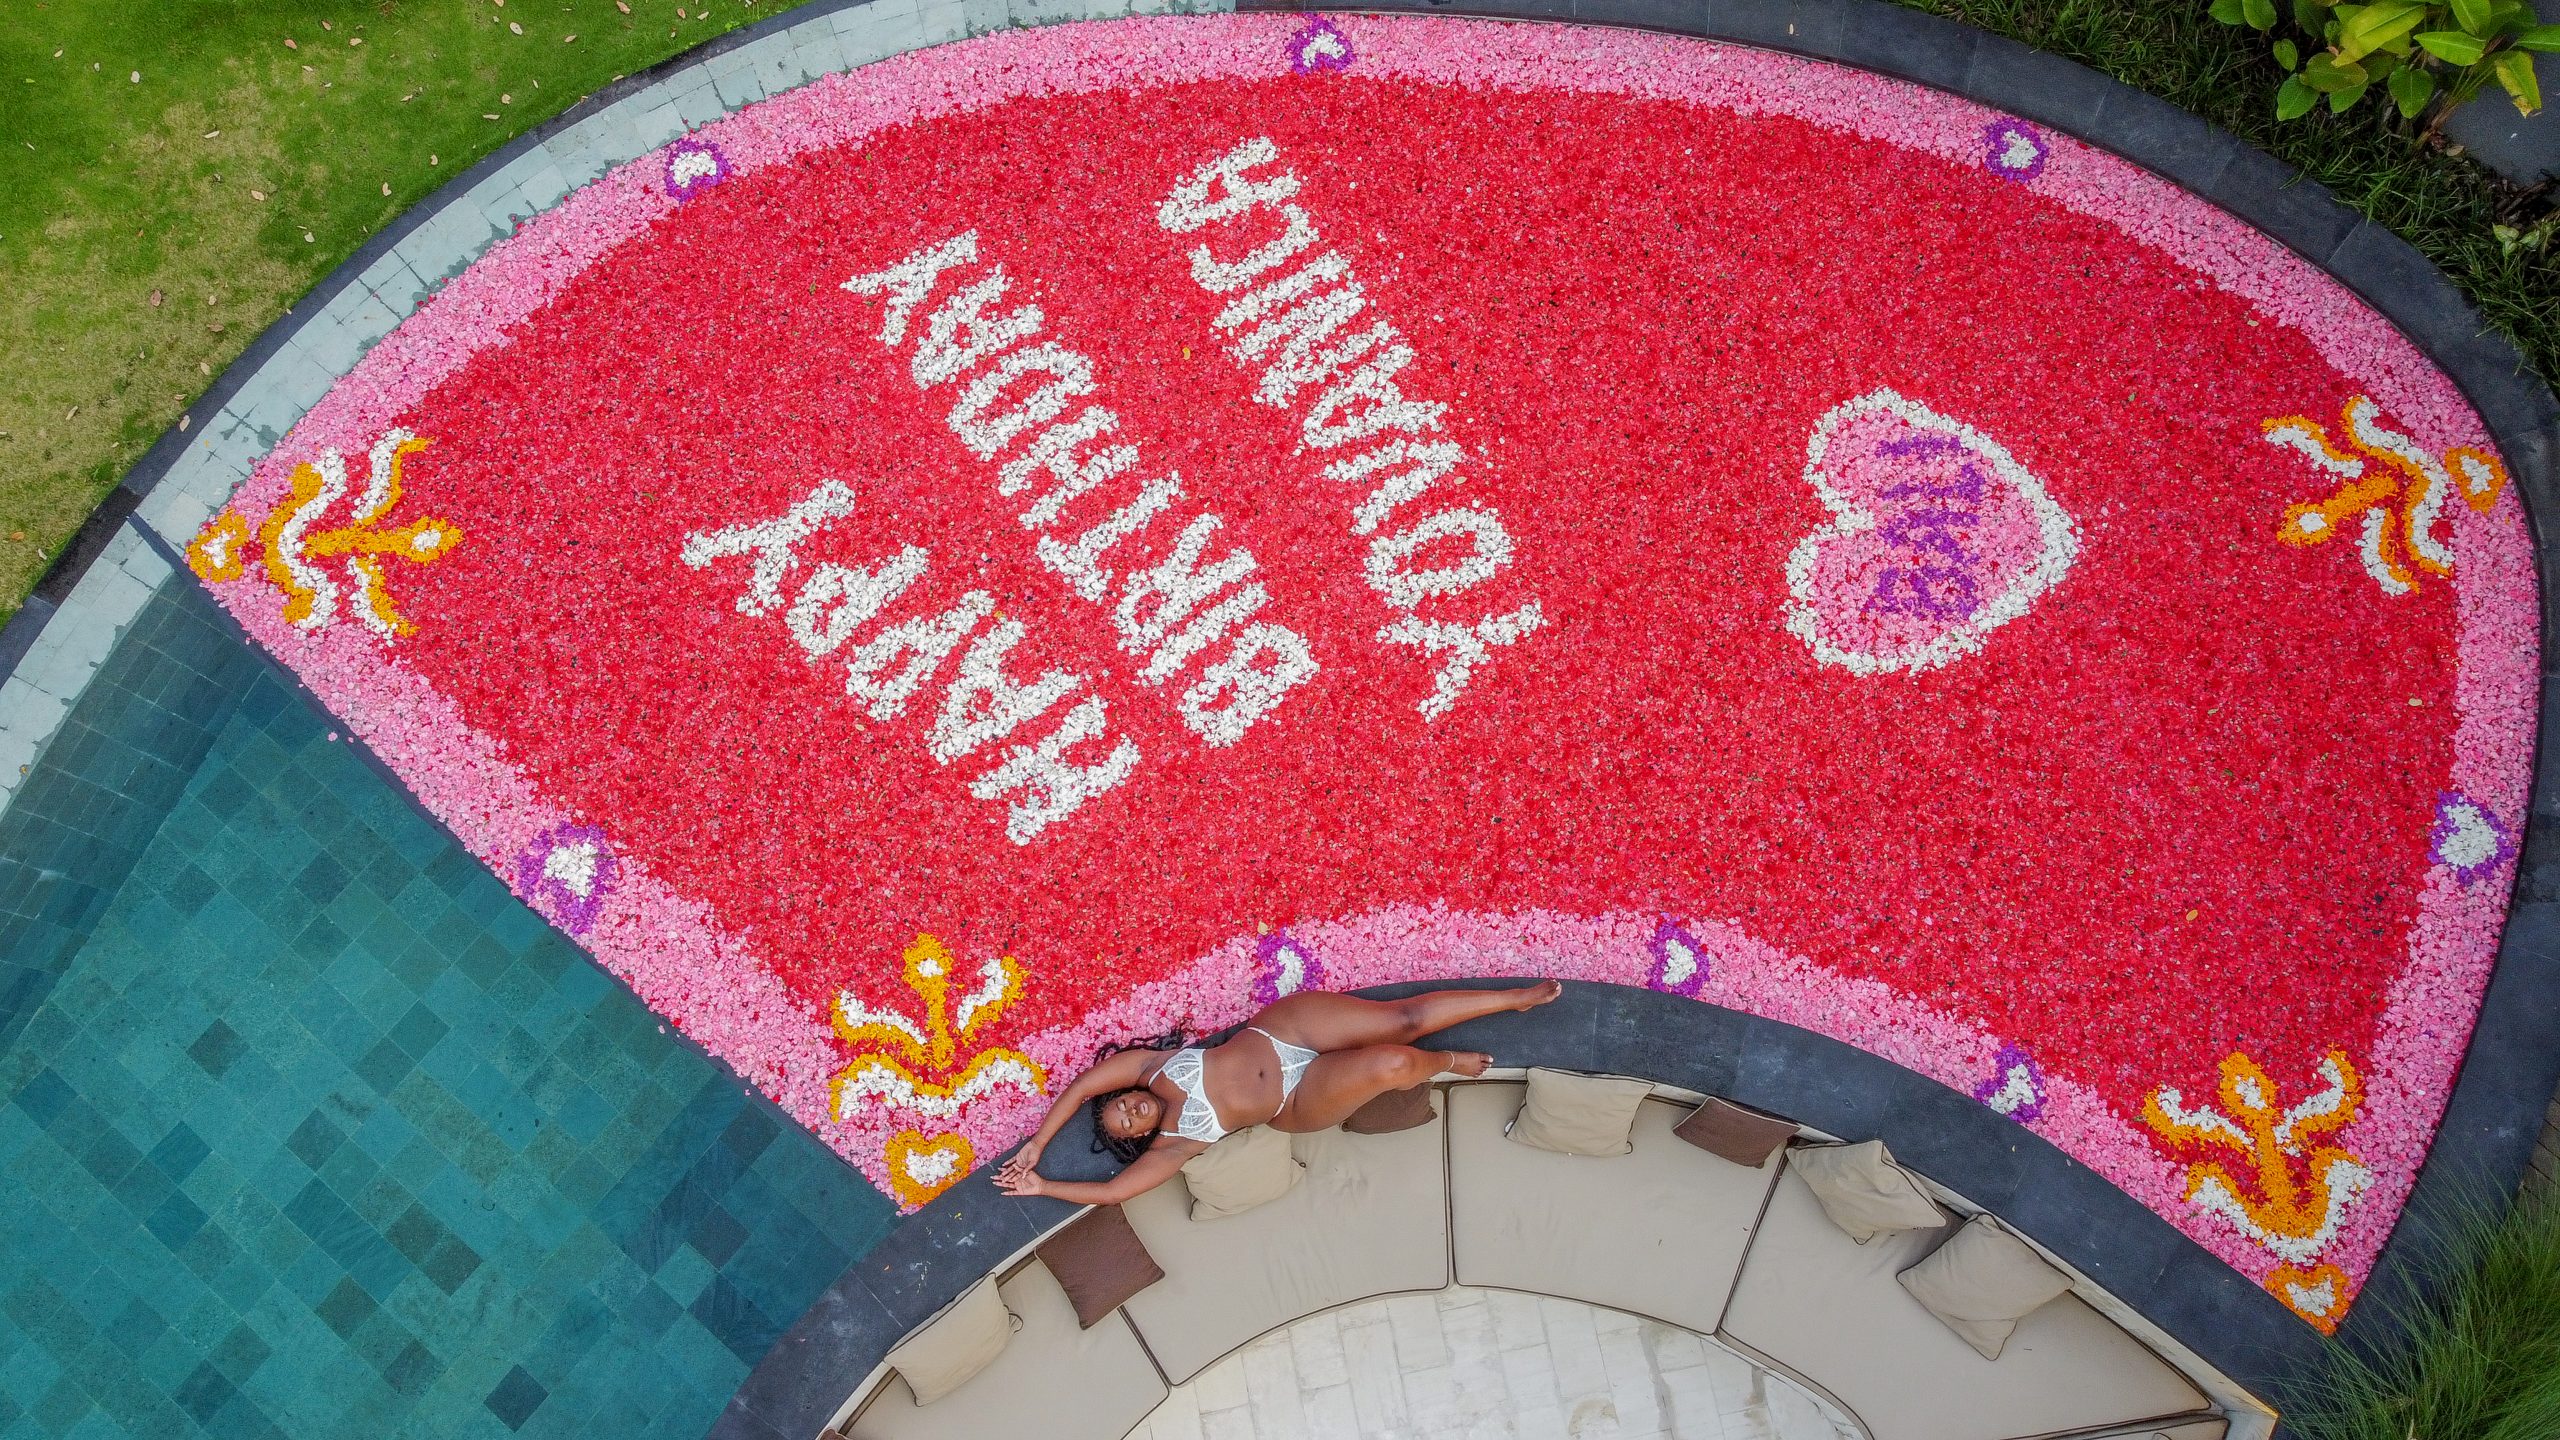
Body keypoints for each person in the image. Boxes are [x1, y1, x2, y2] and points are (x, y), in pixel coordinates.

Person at [994, 981, 1564, 1204]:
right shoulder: (1174, 1145)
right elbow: (1114, 1192)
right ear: (1139, 1137)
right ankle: (1447, 1062)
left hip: (1282, 1032)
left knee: (1402, 1020)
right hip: (1296, 1101)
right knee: (1393, 1063)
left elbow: (1081, 1088)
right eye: (1127, 1122)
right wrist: (1043, 1186)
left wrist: (1038, 1144)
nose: (1129, 1109)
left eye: (1120, 1103)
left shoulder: (1152, 1068)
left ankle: (1511, 999)